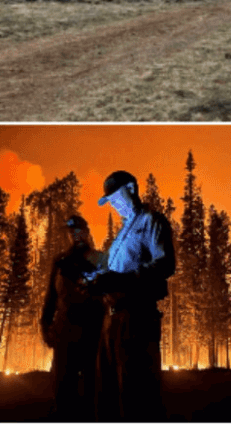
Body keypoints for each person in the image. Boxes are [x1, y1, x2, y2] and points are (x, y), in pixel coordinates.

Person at [91, 170, 176, 422]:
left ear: (132, 188)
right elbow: (114, 273)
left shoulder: (152, 221)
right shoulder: (120, 235)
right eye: (109, 202)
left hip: (137, 319)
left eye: (116, 197)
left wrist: (123, 280)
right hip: (111, 322)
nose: (114, 205)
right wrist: (101, 281)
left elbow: (165, 263)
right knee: (107, 393)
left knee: (135, 394)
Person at [40, 215, 104, 422]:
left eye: (79, 230)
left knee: (92, 389)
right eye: (71, 232)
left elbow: (108, 297)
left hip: (91, 334)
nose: (75, 235)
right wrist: (45, 324)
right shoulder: (59, 262)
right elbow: (51, 295)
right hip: (64, 333)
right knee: (63, 387)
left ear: (86, 232)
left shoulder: (99, 260)